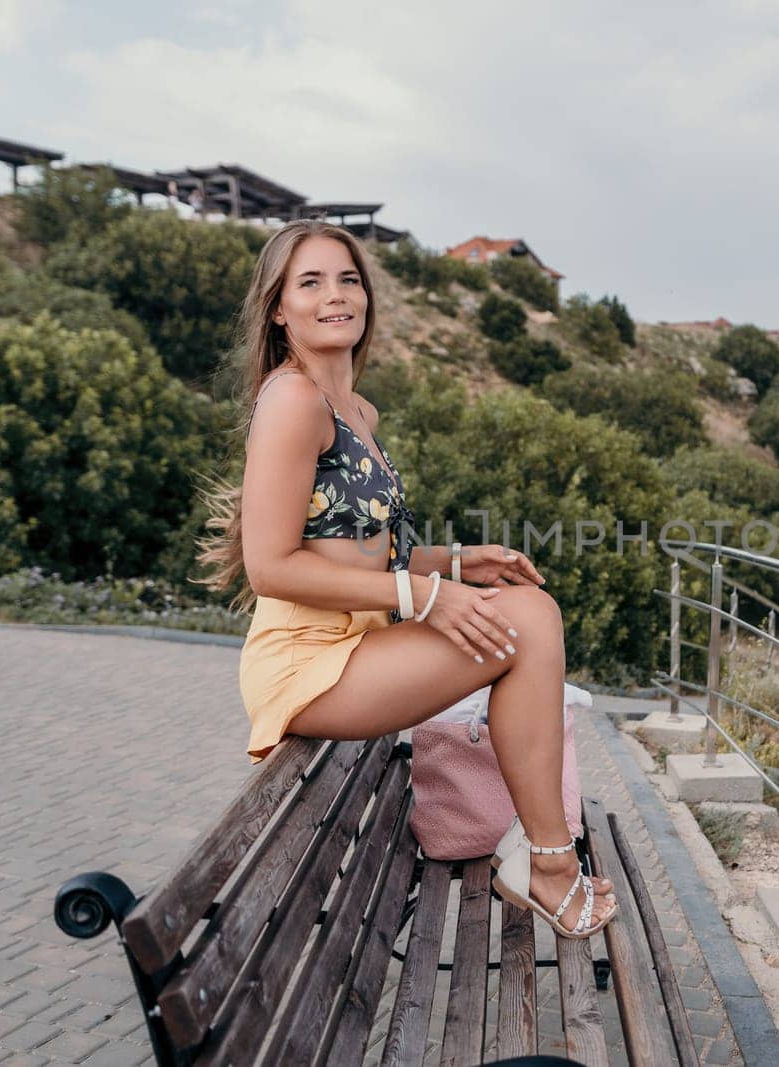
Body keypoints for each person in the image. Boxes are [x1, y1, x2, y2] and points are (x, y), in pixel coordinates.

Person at [197, 221, 618, 941]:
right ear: (278, 309)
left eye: (348, 279)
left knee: (528, 608)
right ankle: (547, 862)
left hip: (356, 644)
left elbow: (360, 555)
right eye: (311, 282)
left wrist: (455, 564)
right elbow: (272, 565)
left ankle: (541, 852)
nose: (336, 295)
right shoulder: (292, 401)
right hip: (307, 662)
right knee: (529, 622)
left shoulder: (356, 411)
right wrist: (427, 595)